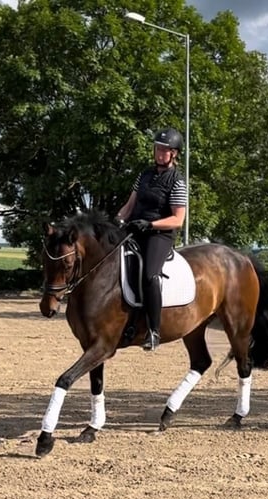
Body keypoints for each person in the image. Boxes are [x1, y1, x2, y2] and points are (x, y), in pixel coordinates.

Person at [116, 127, 187, 351]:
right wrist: (117, 220)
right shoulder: (144, 175)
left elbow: (178, 220)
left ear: (174, 154)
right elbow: (129, 206)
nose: (159, 153)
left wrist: (151, 225)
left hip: (159, 235)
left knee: (149, 275)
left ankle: (153, 330)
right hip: (135, 227)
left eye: (164, 150)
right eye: (157, 149)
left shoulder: (177, 182)